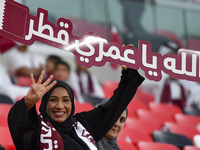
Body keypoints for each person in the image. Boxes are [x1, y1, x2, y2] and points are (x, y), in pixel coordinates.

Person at [8, 65, 144, 150]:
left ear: (72, 103)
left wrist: (129, 72)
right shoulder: (36, 127)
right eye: (53, 100)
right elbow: (18, 129)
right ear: (45, 103)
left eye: (66, 100)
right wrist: (28, 102)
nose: (60, 106)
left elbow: (116, 105)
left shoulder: (84, 124)